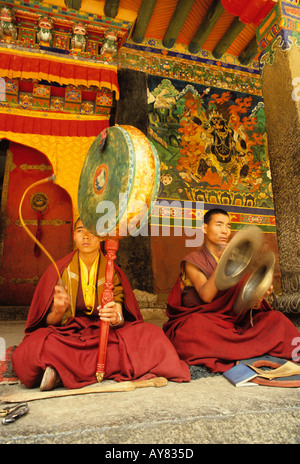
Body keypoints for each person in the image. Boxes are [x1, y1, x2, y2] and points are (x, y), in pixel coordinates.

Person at [12, 219, 190, 390]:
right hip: (69, 334)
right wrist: (58, 311)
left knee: (152, 335)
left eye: (92, 232)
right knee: (36, 344)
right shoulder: (59, 270)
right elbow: (48, 323)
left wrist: (115, 317)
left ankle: (62, 371)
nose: (86, 236)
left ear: (102, 238)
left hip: (104, 332)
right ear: (74, 236)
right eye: (80, 231)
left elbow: (120, 317)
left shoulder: (113, 270)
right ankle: (81, 369)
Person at [163, 208, 300, 373]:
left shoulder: (238, 261)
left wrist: (259, 294)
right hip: (208, 322)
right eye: (219, 225)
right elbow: (206, 296)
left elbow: (248, 305)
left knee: (276, 319)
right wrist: (225, 262)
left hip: (233, 323)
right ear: (205, 228)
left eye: (228, 226)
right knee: (191, 330)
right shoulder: (193, 261)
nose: (224, 231)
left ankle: (236, 349)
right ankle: (249, 349)